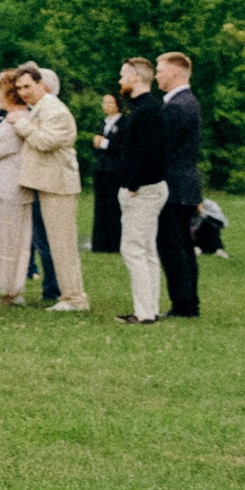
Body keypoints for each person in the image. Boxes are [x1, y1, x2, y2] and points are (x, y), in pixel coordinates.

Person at [9, 61, 89, 311]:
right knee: (54, 243)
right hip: (47, 184)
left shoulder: (55, 110)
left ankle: (74, 297)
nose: (23, 92)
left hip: (59, 185)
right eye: (19, 88)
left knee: (63, 243)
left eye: (27, 86)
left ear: (40, 84)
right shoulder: (38, 108)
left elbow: (45, 141)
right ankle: (69, 295)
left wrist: (20, 124)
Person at [109, 57, 169, 325]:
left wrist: (132, 185)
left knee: (134, 249)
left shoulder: (146, 111)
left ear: (136, 77)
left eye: (124, 75)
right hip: (149, 187)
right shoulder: (146, 109)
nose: (120, 80)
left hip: (144, 189)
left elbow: (147, 153)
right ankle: (149, 308)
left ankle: (144, 312)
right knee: (146, 251)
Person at [156, 51, 204, 319]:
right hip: (185, 183)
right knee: (181, 245)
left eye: (160, 70)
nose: (157, 75)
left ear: (174, 73)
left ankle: (184, 304)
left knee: (173, 245)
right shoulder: (188, 102)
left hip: (175, 185)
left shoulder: (177, 106)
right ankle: (187, 302)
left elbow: (166, 147)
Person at [0, 71, 36, 305]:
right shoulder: (19, 118)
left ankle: (6, 287)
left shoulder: (16, 120)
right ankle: (8, 287)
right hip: (11, 187)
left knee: (3, 240)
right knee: (13, 240)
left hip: (7, 188)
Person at [89, 92, 123, 253]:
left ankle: (113, 243)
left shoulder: (123, 123)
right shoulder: (103, 123)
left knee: (113, 207)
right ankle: (99, 243)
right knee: (100, 206)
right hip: (101, 169)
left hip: (114, 171)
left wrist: (105, 143)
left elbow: (123, 147)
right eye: (104, 103)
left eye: (110, 103)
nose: (106, 106)